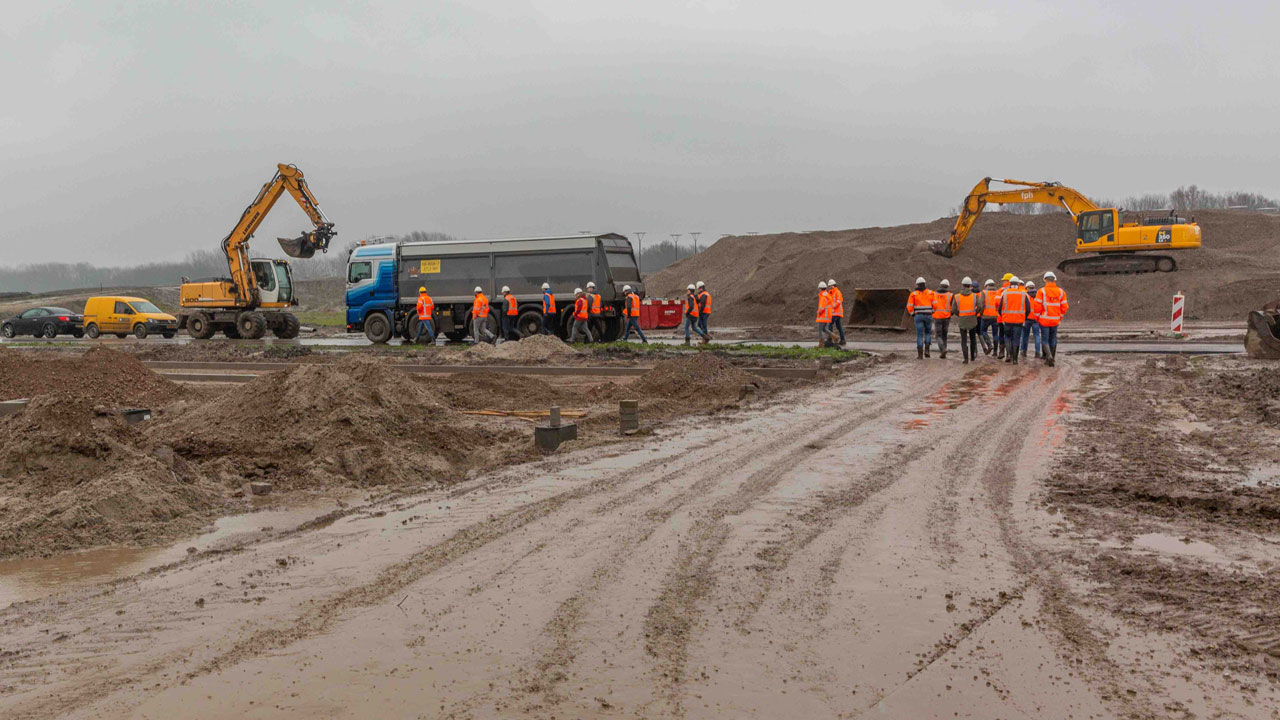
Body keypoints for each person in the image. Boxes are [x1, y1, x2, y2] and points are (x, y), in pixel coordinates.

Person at [1036, 271, 1069, 366]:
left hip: (1044, 320)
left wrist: (1037, 317)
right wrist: (1059, 317)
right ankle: (1052, 358)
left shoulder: (1041, 291)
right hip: (1055, 320)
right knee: (1053, 339)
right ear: (1054, 280)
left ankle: (1049, 357)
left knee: (1045, 340)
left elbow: (1037, 307)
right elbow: (1065, 307)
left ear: (1044, 280)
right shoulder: (1061, 292)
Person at [951, 276, 983, 364]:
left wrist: (960, 315)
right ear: (970, 286)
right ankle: (972, 357)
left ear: (962, 285)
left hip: (962, 320)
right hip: (972, 319)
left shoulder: (957, 296)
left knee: (963, 340)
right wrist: (975, 313)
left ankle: (965, 359)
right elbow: (980, 306)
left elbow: (953, 309)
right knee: (973, 339)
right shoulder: (974, 296)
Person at [998, 277, 1028, 364]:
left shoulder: (1005, 293)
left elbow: (1000, 309)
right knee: (1016, 339)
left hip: (1007, 321)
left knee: (1007, 337)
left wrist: (1003, 317)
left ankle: (1008, 355)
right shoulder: (1023, 294)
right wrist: (1023, 318)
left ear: (1010, 284)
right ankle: (1015, 359)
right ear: (1018, 284)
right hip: (1019, 321)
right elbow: (1028, 308)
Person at [906, 277, 934, 359]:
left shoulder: (913, 294)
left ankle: (920, 355)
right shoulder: (931, 293)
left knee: (919, 335)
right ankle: (927, 351)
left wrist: (912, 314)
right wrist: (932, 312)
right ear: (925, 284)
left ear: (917, 285)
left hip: (918, 316)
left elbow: (909, 306)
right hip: (928, 315)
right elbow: (935, 305)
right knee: (928, 333)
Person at [932, 279, 953, 359]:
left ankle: (943, 350)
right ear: (947, 286)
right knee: (944, 335)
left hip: (937, 317)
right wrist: (951, 314)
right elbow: (953, 307)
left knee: (938, 336)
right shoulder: (950, 295)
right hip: (946, 317)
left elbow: (932, 305)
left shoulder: (934, 294)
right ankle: (944, 351)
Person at [979, 279, 1000, 356]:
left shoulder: (984, 292)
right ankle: (995, 352)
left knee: (983, 331)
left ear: (986, 285)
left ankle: (989, 345)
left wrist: (981, 314)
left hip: (986, 317)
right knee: (995, 334)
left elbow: (981, 305)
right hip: (996, 317)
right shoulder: (998, 292)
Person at [994, 272, 1013, 358]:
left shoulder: (1001, 291)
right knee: (1011, 335)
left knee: (1002, 334)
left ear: (1007, 281)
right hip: (1012, 318)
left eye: (1004, 280)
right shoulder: (1017, 290)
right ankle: (1011, 353)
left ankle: (1001, 352)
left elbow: (996, 303)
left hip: (1001, 318)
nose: (1002, 282)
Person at [1022, 280, 1042, 358]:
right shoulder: (1038, 296)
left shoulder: (1025, 295)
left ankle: (1024, 352)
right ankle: (1037, 353)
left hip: (1027, 319)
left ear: (1027, 287)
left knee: (1025, 336)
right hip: (1036, 319)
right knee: (1037, 336)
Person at [826, 278, 846, 345]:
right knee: (839, 326)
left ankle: (830, 339)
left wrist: (832, 306)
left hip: (836, 312)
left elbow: (839, 301)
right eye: (829, 286)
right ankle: (843, 340)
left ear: (834, 285)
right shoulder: (830, 293)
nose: (830, 287)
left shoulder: (837, 292)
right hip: (833, 313)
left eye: (831, 286)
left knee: (830, 324)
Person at [816, 281, 832, 346]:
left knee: (820, 329)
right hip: (827, 315)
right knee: (824, 329)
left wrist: (819, 312)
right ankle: (834, 337)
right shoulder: (827, 295)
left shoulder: (823, 296)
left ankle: (821, 343)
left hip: (823, 315)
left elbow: (822, 306)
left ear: (820, 288)